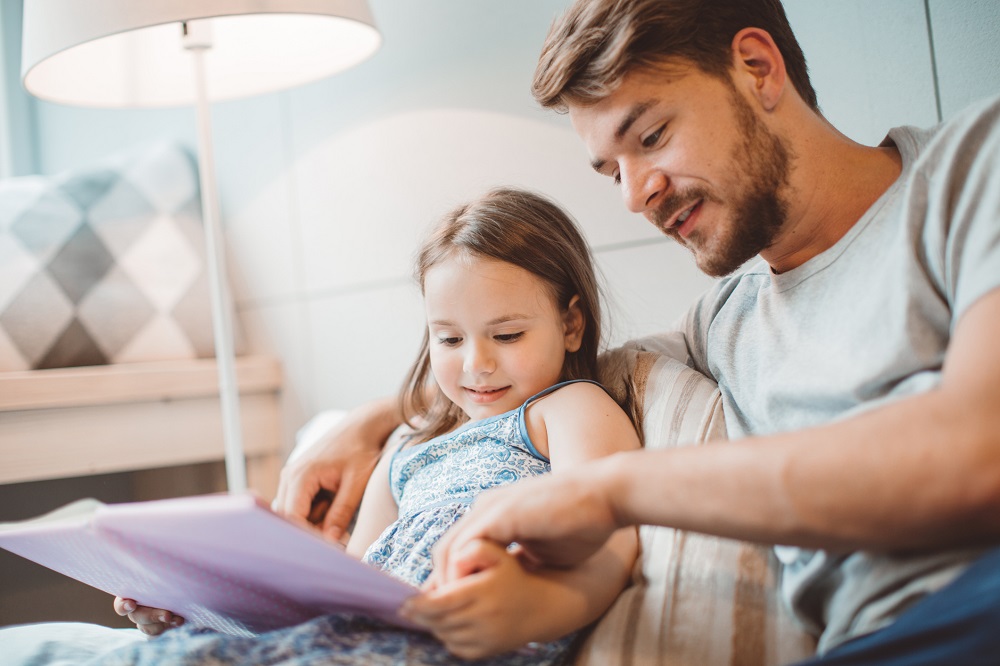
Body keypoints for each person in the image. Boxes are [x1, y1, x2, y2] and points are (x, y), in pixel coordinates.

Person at [276, 1, 1000, 663]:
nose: (634, 194)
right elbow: (519, 380)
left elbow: (978, 454)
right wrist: (369, 425)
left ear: (757, 68)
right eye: (610, 171)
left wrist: (609, 492)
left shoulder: (974, 170)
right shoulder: (724, 323)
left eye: (650, 137)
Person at [0, 187, 639, 665]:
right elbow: (348, 586)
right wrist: (199, 607)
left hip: (470, 637)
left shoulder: (567, 409)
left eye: (507, 334)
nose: (477, 363)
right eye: (447, 337)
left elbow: (613, 536)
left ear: (571, 325)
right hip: (363, 637)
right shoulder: (408, 450)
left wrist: (539, 604)